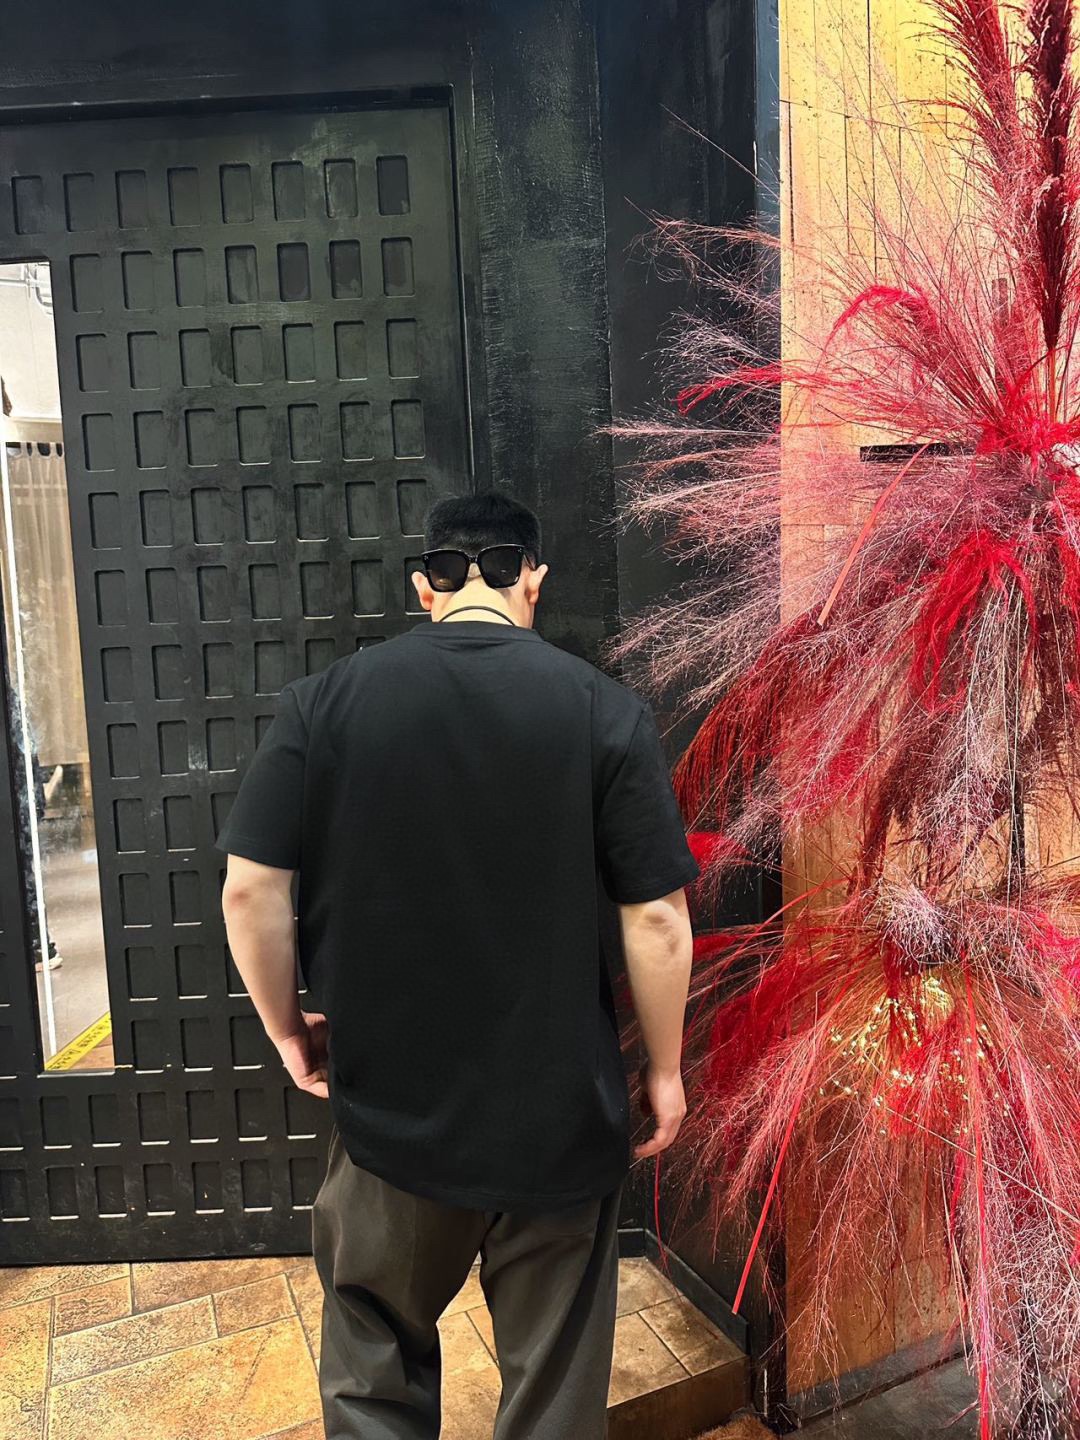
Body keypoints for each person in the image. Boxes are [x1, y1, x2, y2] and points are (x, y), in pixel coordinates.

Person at [217, 490, 698, 1440]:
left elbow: (250, 891)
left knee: (373, 1372)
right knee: (553, 1399)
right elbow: (656, 917)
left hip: (393, 1121)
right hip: (560, 1121)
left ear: (425, 587)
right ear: (533, 580)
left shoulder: (322, 705)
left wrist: (287, 1030)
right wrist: (667, 1070)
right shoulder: (604, 711)